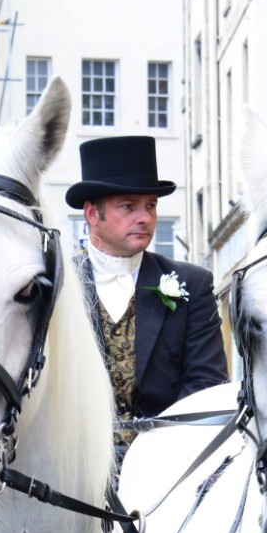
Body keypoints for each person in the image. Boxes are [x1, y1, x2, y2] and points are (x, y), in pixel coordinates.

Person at [66, 135, 228, 445]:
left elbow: (206, 384)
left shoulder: (192, 284)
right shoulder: (58, 285)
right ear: (91, 214)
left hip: (165, 464)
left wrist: (154, 452)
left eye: (150, 206)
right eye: (128, 207)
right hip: (72, 460)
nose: (145, 218)